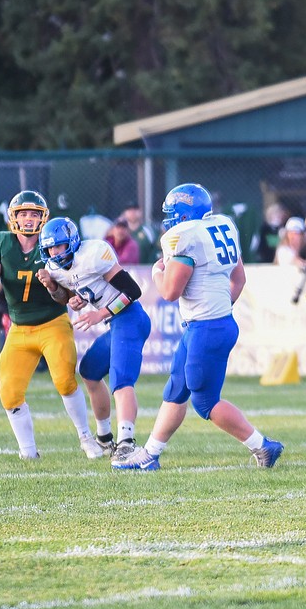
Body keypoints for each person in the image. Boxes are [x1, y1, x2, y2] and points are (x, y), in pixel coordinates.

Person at [115, 184, 283, 472]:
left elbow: (169, 292)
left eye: (171, 214)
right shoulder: (221, 227)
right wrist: (219, 311)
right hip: (212, 324)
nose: (168, 221)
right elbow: (238, 280)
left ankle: (262, 445)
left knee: (205, 403)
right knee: (176, 388)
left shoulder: (186, 237)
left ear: (182, 215)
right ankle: (150, 454)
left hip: (207, 328)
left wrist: (158, 271)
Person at [0, 191, 99, 459]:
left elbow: (64, 297)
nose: (29, 220)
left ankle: (86, 438)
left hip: (52, 323)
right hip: (19, 329)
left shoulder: (53, 245)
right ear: (13, 217)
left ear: (43, 218)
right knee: (9, 392)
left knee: (65, 381)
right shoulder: (1, 244)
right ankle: (28, 453)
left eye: (34, 214)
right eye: (24, 214)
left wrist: (53, 285)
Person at [37, 217, 152, 467]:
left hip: (131, 318)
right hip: (116, 324)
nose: (55, 253)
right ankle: (105, 437)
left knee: (121, 381)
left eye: (59, 246)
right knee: (89, 371)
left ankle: (127, 443)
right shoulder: (54, 268)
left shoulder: (93, 254)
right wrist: (61, 292)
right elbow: (65, 296)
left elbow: (133, 291)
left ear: (73, 242)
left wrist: (99, 313)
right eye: (50, 249)